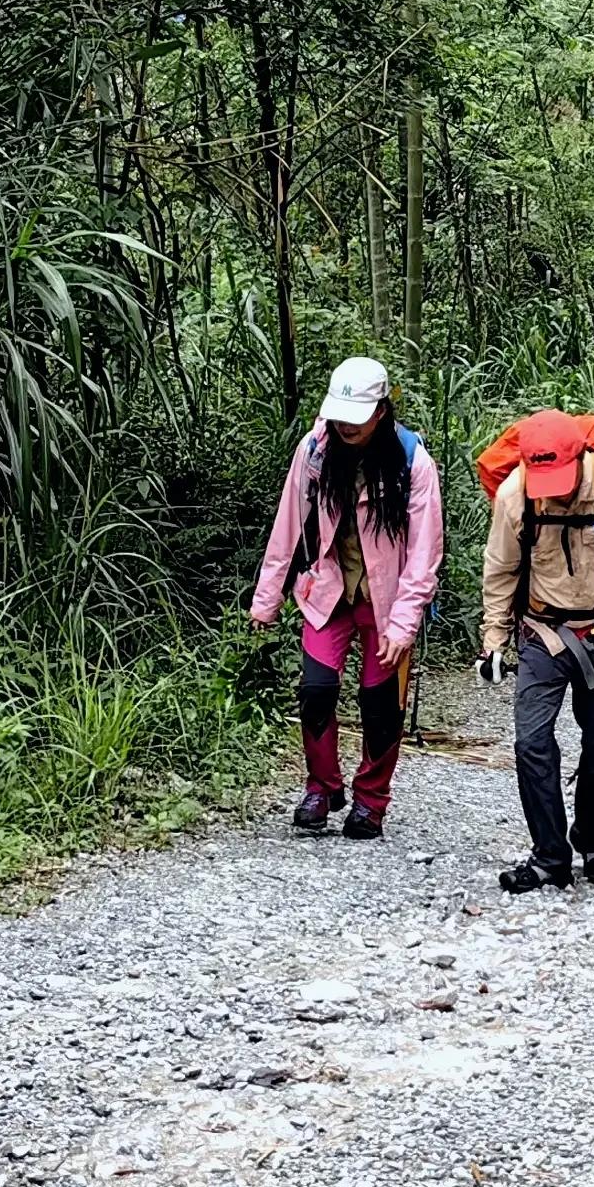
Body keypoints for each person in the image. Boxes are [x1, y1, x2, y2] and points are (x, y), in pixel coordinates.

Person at [246, 357, 443, 840]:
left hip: (388, 597)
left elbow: (424, 552)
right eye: (340, 416)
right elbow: (287, 524)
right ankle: (322, 787)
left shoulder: (413, 461)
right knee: (315, 691)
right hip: (327, 589)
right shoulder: (314, 451)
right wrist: (266, 599)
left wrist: (403, 625)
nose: (346, 427)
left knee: (380, 706)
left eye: (357, 417)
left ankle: (370, 803)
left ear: (381, 410)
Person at [475, 410, 594, 891]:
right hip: (542, 632)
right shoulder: (515, 493)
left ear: (580, 457)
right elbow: (501, 570)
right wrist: (494, 642)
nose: (555, 489)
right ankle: (549, 856)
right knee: (531, 742)